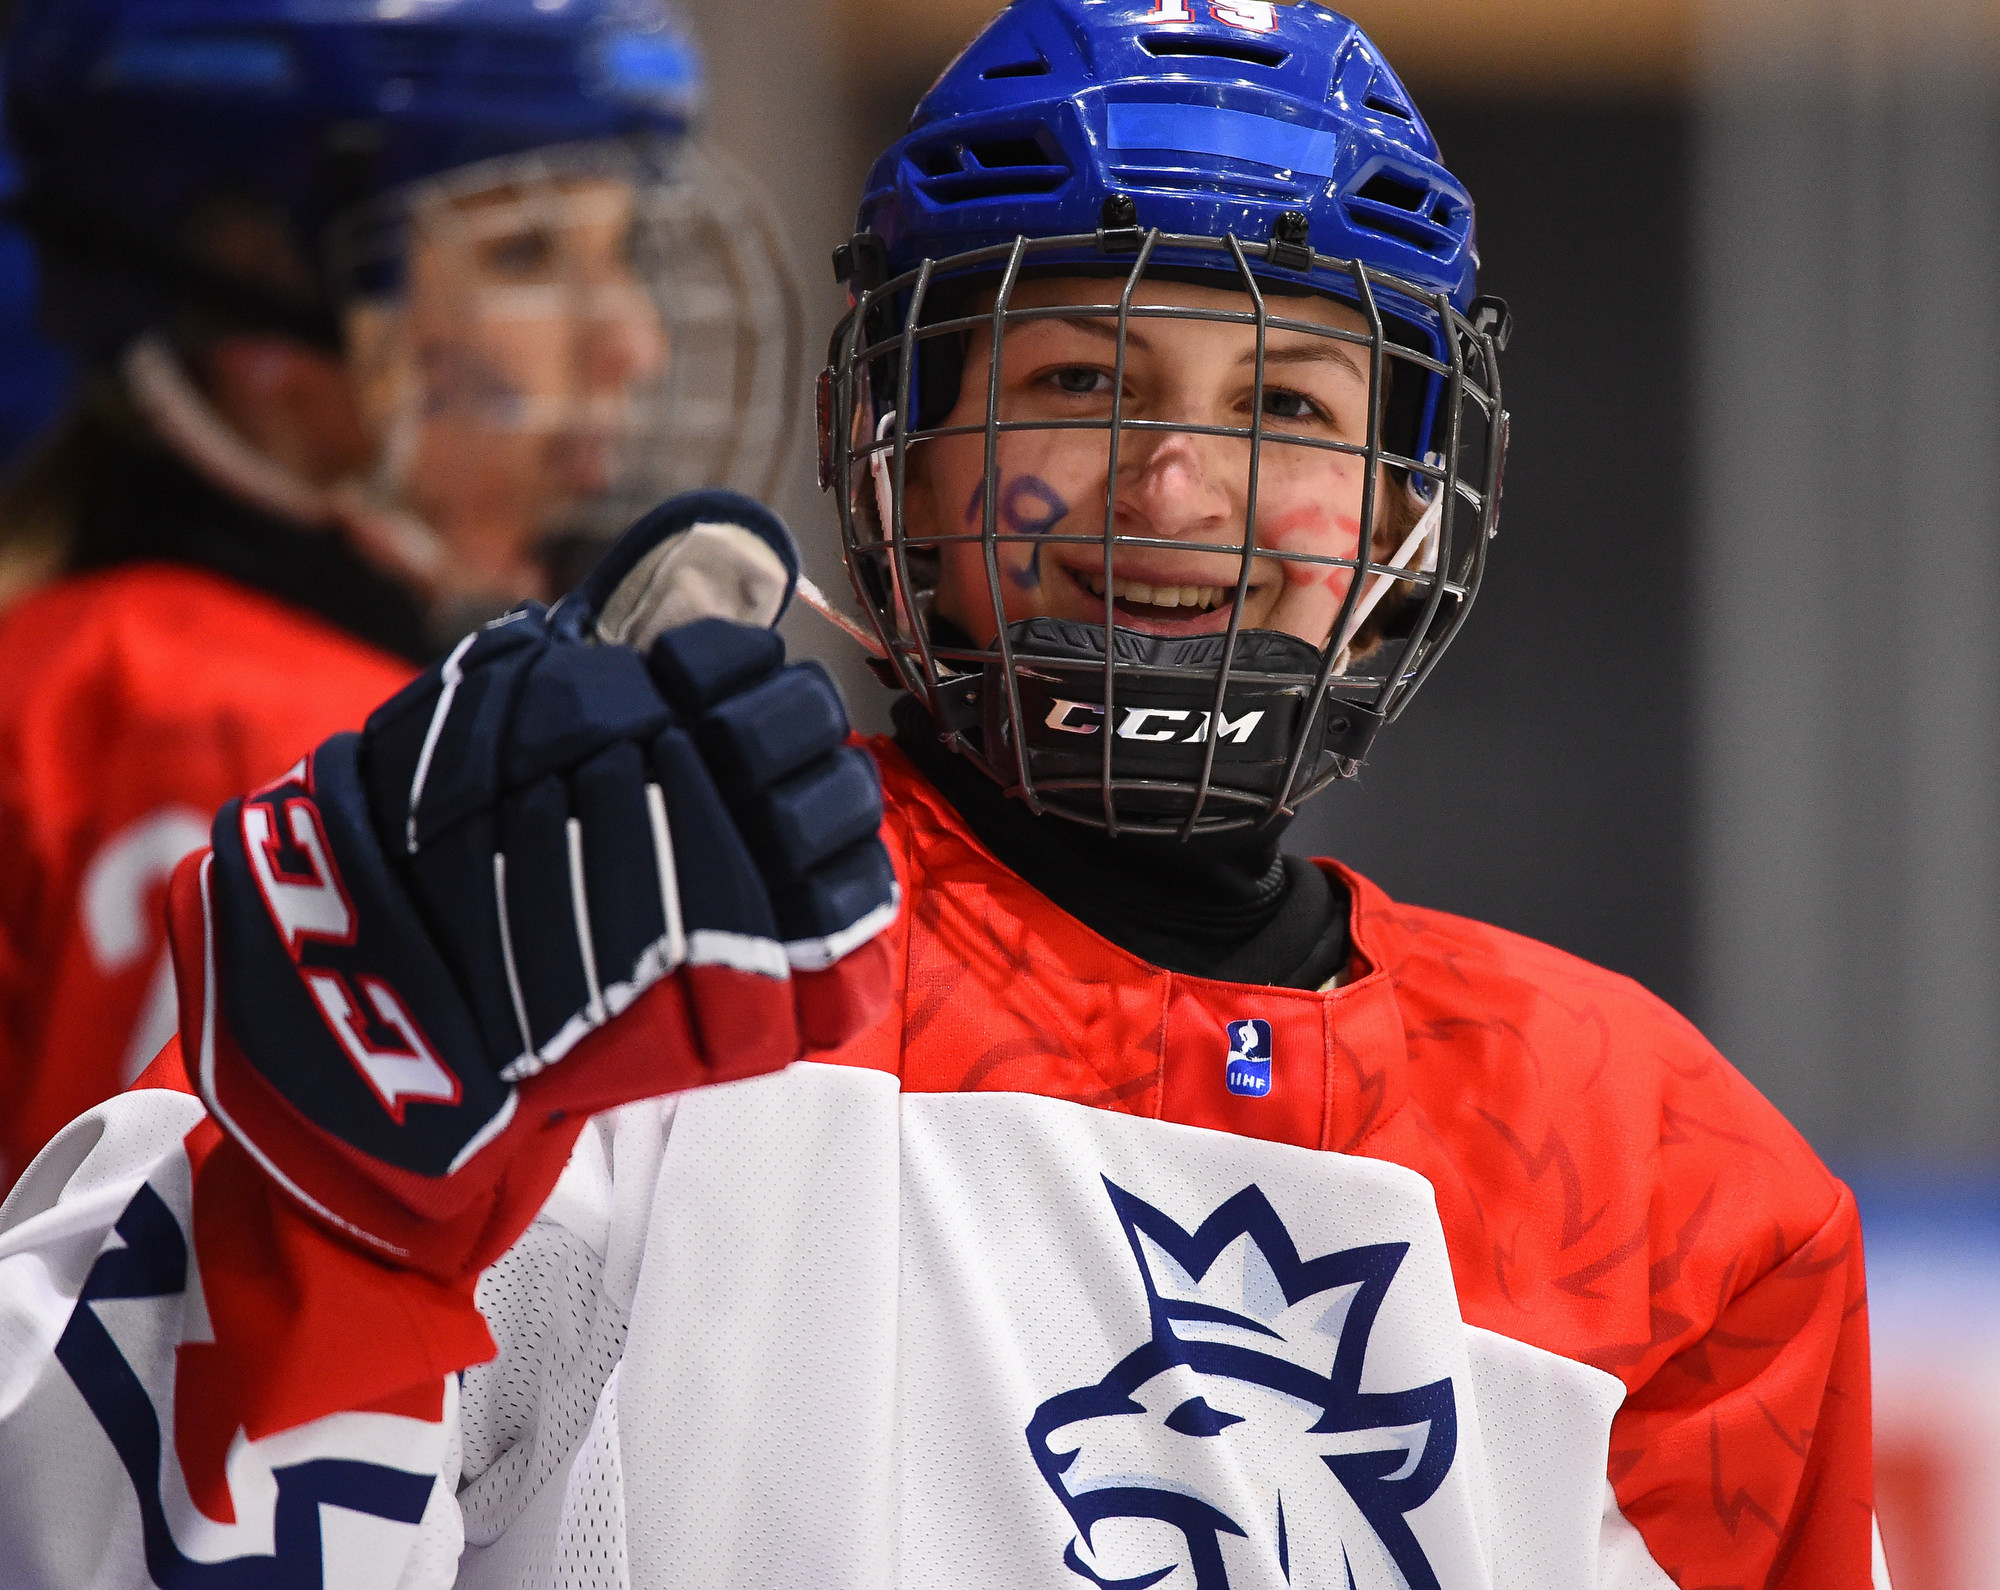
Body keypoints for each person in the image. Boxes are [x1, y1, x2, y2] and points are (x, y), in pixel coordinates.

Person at [0, 4, 1883, 1587]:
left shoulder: (1676, 1188)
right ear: (897, 456)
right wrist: (331, 1197)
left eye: (1291, 410)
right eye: (1083, 380)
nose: (1170, 500)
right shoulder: (617, 971)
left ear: (1405, 514)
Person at [0, 0, 801, 1190]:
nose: (630, 341)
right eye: (524, 256)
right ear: (248, 297)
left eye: (621, 251)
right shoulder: (222, 726)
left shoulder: (67, 668)